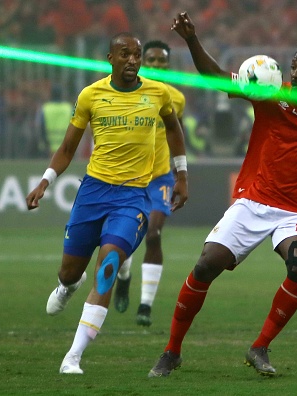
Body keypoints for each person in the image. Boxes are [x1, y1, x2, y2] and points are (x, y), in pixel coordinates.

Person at [148, 12, 297, 378]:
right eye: (293, 65)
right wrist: (192, 40)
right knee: (205, 265)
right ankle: (172, 350)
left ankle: (260, 347)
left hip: (296, 212)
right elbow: (215, 79)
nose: (295, 72)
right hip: (251, 201)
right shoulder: (269, 92)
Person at [25, 32, 189, 375]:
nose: (132, 60)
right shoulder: (91, 95)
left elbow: (174, 130)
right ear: (110, 58)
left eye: (137, 55)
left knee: (109, 264)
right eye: (125, 54)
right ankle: (68, 286)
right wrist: (45, 181)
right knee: (70, 271)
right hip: (93, 192)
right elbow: (68, 147)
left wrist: (181, 176)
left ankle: (73, 356)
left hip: (133, 197)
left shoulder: (158, 93)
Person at [113, 40, 187, 327]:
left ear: (168, 65)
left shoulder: (176, 98)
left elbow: (176, 134)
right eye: (151, 60)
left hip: (160, 177)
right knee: (124, 238)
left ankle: (145, 304)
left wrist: (182, 173)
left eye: (161, 61)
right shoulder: (129, 92)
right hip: (129, 178)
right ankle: (124, 277)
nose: (157, 65)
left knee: (153, 234)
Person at [36, 84, 73, 157]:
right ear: (62, 94)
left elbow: (40, 127)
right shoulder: (69, 108)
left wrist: (43, 144)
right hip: (66, 148)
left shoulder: (45, 108)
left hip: (48, 149)